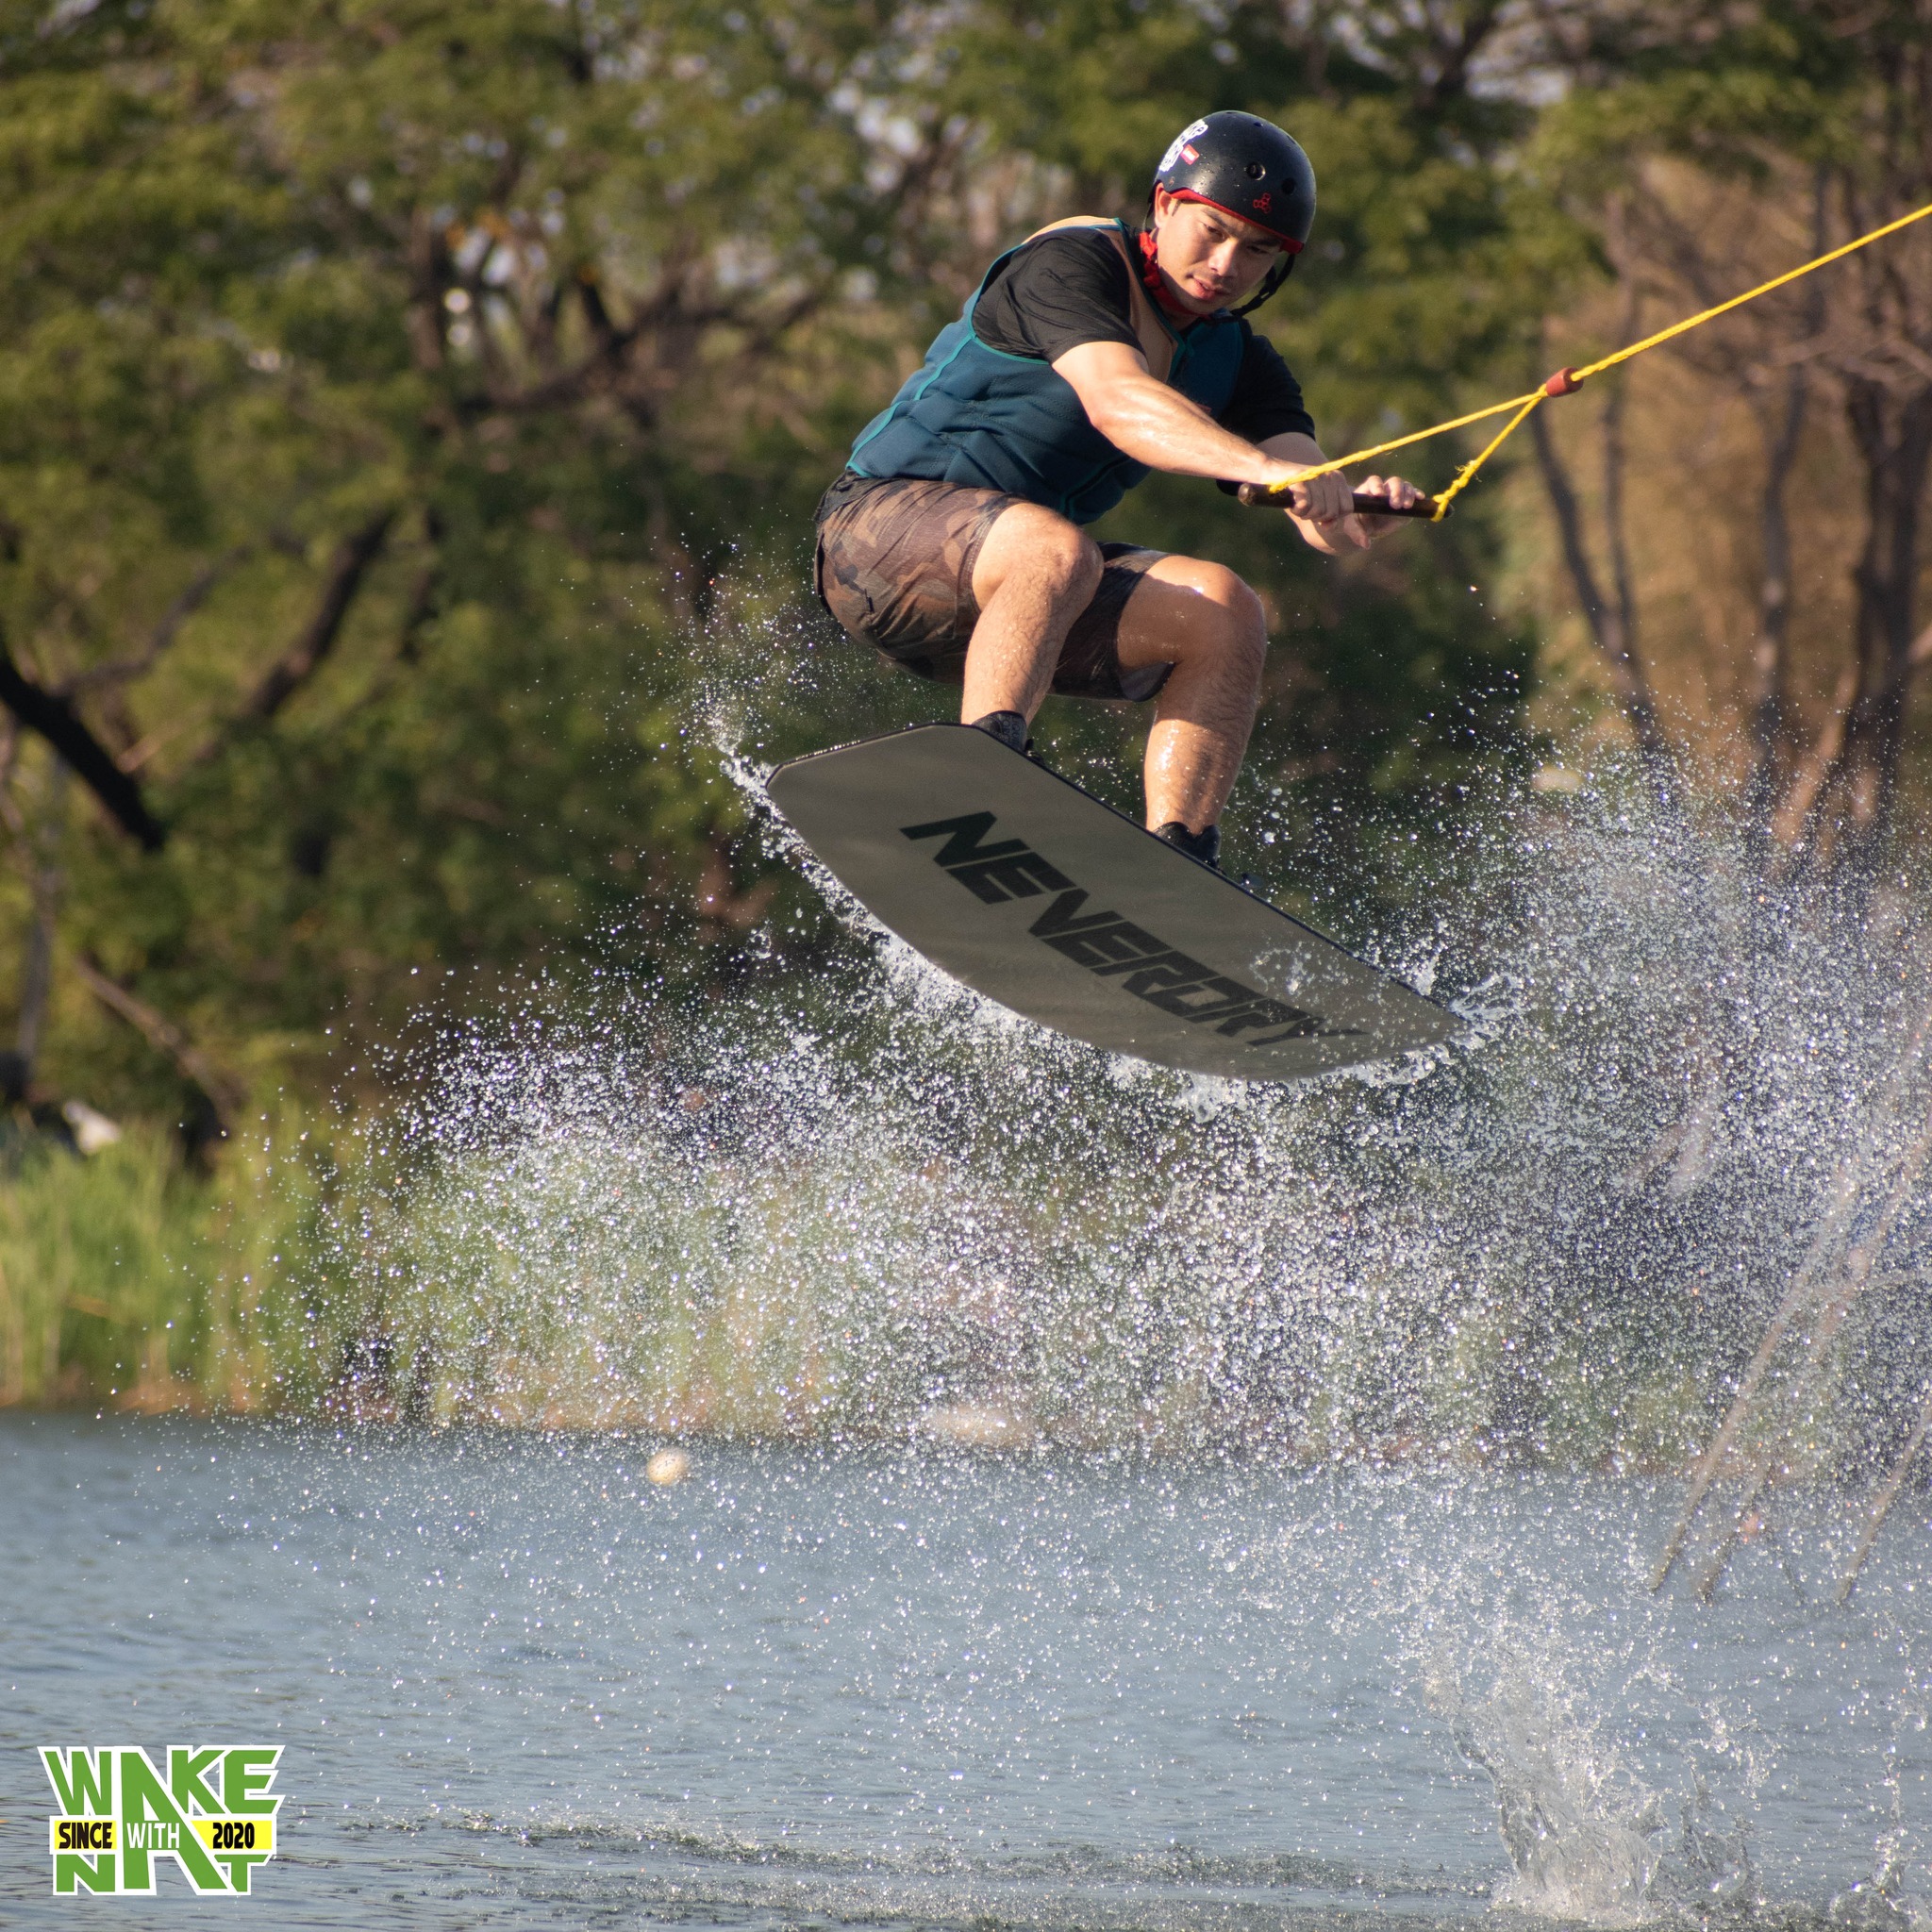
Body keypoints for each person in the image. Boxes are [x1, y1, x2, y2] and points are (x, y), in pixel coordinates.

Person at [813, 111, 1422, 871]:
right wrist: (1273, 473)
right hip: (874, 541)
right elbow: (1118, 401)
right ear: (1164, 205)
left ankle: (1179, 866)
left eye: (1259, 250)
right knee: (1056, 548)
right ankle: (981, 784)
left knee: (1223, 609)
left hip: (1020, 603)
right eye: (1212, 230)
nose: (1228, 264)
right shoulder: (1072, 264)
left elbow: (1307, 500)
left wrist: (1352, 508)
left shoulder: (1241, 362)